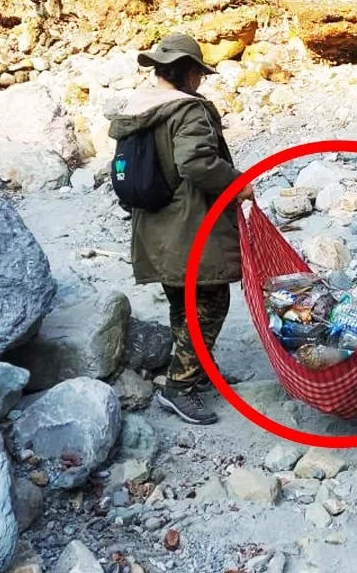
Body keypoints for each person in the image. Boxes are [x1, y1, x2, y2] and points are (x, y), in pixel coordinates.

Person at [107, 33, 253, 426]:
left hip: (153, 226)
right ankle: (179, 386)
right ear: (189, 72)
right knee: (210, 304)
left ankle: (196, 369)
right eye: (199, 74)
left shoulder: (137, 110)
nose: (201, 81)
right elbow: (195, 162)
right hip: (189, 226)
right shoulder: (187, 110)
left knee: (181, 302)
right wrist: (237, 183)